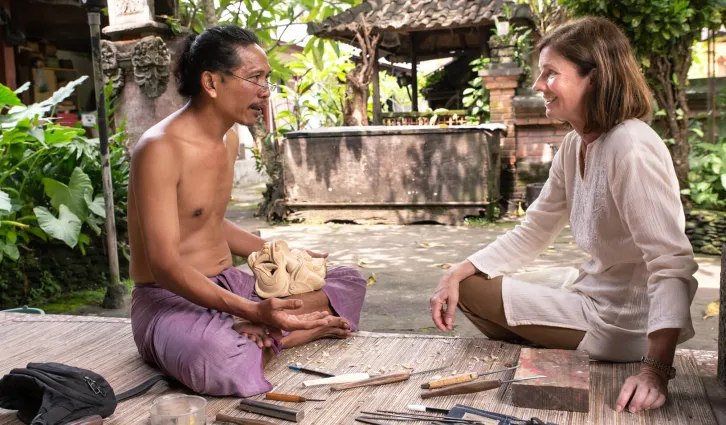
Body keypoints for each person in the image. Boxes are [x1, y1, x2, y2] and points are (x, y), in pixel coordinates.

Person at [429, 17, 698, 414]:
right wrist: (456, 269)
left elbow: (671, 263)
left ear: (595, 78)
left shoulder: (631, 145)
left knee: (472, 292)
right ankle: (542, 347)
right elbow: (533, 230)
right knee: (466, 279)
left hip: (625, 320)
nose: (538, 85)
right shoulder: (575, 145)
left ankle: (556, 350)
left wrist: (655, 370)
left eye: (551, 73)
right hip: (589, 291)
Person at [127, 25, 367, 397]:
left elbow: (209, 221)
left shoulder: (229, 137)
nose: (265, 91)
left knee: (348, 281)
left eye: (266, 79)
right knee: (218, 356)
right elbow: (164, 264)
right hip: (168, 300)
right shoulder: (159, 149)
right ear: (211, 82)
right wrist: (251, 311)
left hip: (228, 283)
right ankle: (287, 334)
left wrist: (283, 254)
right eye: (255, 78)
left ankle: (262, 330)